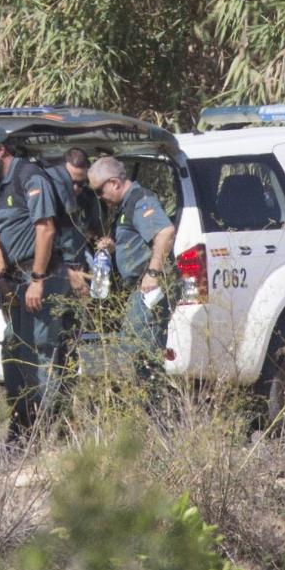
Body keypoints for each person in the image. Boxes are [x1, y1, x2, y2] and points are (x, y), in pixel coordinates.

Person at [0, 122, 71, 448]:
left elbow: (46, 230)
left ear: (1, 151)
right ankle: (22, 424)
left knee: (41, 352)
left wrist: (37, 280)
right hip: (15, 280)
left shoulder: (30, 177)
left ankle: (48, 431)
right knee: (14, 350)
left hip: (42, 276)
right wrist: (1, 275)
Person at [89, 156, 176, 406]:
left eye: (99, 191)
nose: (99, 197)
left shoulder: (141, 201)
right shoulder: (126, 206)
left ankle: (156, 413)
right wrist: (115, 248)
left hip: (147, 288)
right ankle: (150, 410)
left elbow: (165, 231)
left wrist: (153, 273)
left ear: (114, 183)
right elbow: (139, 241)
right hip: (136, 288)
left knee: (140, 352)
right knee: (137, 351)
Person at [44, 148, 102, 296]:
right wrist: (67, 273)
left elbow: (94, 232)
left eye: (81, 183)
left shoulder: (88, 200)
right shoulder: (48, 199)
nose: (76, 188)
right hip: (52, 272)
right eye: (71, 183)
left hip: (80, 271)